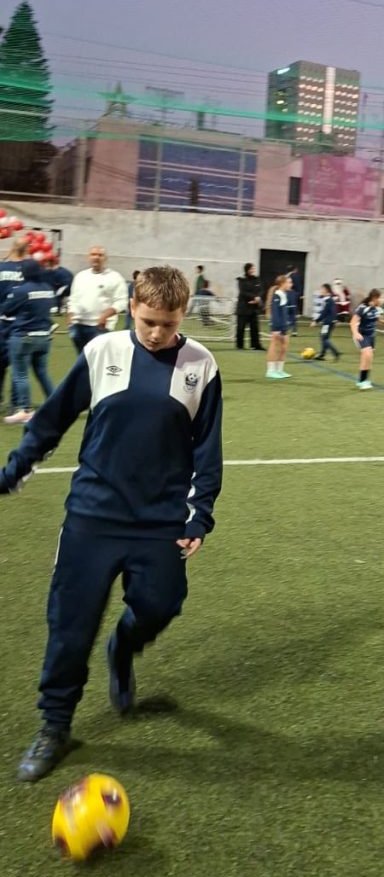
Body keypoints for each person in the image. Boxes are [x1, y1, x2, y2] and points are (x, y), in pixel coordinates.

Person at [0, 265, 223, 783]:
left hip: (160, 520)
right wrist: (12, 473)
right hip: (93, 517)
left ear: (182, 316)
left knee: (162, 605)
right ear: (131, 309)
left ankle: (122, 649)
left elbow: (207, 449)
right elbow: (51, 420)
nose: (157, 333)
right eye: (148, 321)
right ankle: (55, 725)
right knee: (70, 626)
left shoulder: (201, 365)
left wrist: (200, 515)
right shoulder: (102, 352)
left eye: (168, 324)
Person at [2, 256, 56, 424]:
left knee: (20, 375)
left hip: (24, 336)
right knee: (42, 372)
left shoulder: (21, 290)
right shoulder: (47, 288)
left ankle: (25, 410)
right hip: (44, 336)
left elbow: (7, 310)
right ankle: (56, 403)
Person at [67, 245, 128, 353]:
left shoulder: (115, 277)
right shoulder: (81, 276)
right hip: (78, 325)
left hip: (100, 327)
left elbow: (121, 301)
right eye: (93, 254)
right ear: (88, 257)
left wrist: (105, 316)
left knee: (98, 359)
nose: (96, 257)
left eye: (100, 255)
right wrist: (70, 317)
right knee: (82, 359)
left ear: (105, 258)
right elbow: (73, 299)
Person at [0, 235, 28, 414]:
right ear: (27, 250)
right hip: (22, 323)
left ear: (12, 248)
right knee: (19, 365)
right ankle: (15, 403)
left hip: (2, 321)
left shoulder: (1, 267)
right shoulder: (30, 270)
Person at [350, 288, 381, 390]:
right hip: (362, 335)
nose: (382, 300)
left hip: (371, 336)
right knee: (367, 354)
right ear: (375, 298)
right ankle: (362, 381)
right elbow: (353, 322)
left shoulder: (377, 308)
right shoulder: (363, 307)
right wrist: (355, 333)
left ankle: (363, 380)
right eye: (381, 298)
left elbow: (377, 319)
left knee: (369, 357)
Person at [265, 275, 291, 379]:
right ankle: (270, 370)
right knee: (274, 347)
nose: (290, 284)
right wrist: (276, 329)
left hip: (284, 326)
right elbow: (275, 314)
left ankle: (280, 370)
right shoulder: (277, 296)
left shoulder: (284, 295)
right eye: (288, 282)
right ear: (282, 284)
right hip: (277, 327)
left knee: (283, 348)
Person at [235, 263, 263, 351]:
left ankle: (256, 345)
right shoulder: (242, 280)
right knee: (241, 328)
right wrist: (254, 297)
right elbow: (243, 292)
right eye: (251, 269)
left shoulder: (257, 279)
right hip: (243, 308)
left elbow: (260, 290)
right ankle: (240, 346)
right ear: (247, 270)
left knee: (255, 328)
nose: (252, 270)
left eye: (253, 268)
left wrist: (258, 298)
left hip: (254, 308)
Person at [312, 283, 340, 360]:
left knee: (323, 338)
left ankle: (335, 352)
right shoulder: (328, 300)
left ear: (327, 291)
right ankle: (322, 355)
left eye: (322, 289)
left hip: (327, 323)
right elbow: (333, 311)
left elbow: (325, 313)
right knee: (325, 338)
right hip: (330, 322)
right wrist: (335, 320)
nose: (321, 290)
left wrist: (316, 321)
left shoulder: (328, 300)